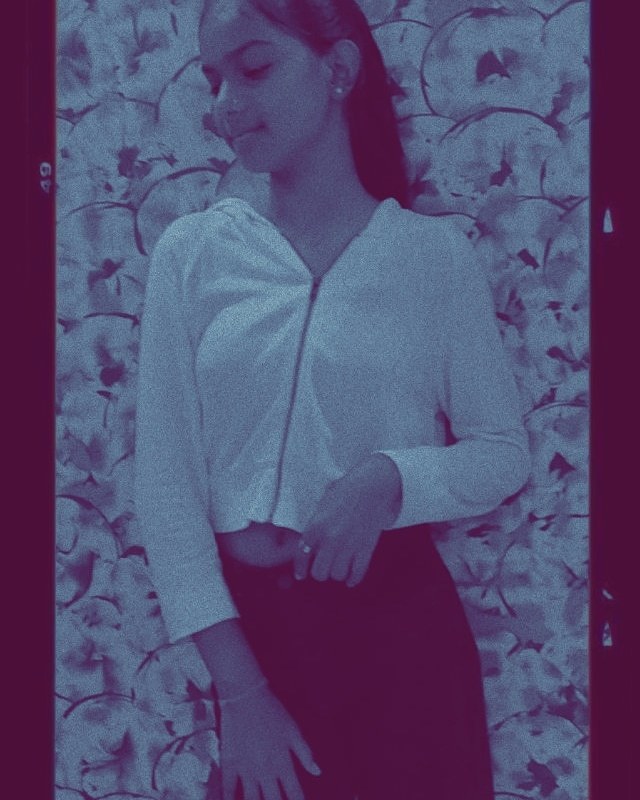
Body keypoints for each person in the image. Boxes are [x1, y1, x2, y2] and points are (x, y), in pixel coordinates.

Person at [134, 0, 531, 798]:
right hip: (252, 645)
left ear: (339, 70)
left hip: (400, 643)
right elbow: (166, 489)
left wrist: (390, 479)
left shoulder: (432, 258)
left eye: (254, 68)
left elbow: (502, 454)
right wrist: (240, 692)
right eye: (214, 79)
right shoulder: (193, 254)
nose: (226, 104)